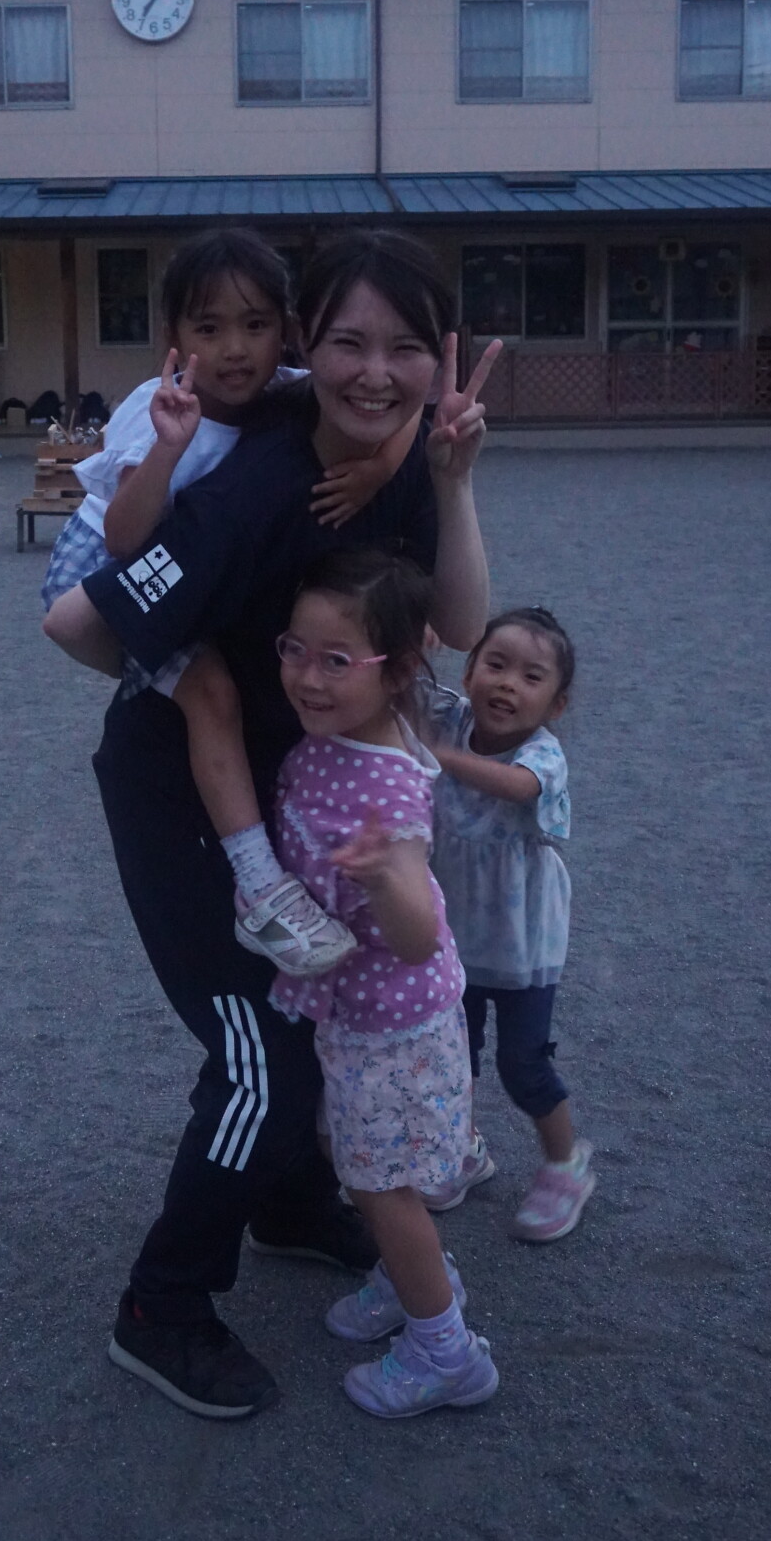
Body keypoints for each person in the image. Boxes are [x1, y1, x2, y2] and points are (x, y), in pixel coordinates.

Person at [43, 229, 499, 1419]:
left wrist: (444, 474)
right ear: (310, 343)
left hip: (292, 788)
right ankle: (163, 1306)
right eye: (348, 342)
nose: (375, 372)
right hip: (181, 793)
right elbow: (82, 622)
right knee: (263, 1051)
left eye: (405, 347)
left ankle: (289, 1200)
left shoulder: (408, 447)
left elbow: (457, 624)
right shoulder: (248, 487)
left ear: (439, 353)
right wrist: (189, 680)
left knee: (315, 1010)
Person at [43, 228, 413, 971]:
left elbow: (400, 412)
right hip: (101, 572)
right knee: (210, 693)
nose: (236, 349)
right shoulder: (158, 408)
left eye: (255, 325)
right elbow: (122, 539)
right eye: (208, 329)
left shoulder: (289, 391)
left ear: (288, 329)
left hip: (180, 578)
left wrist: (377, 470)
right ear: (175, 336)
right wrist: (169, 448)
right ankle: (261, 887)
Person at [269, 548, 500, 1418]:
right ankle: (413, 1278)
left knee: (380, 1183)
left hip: (393, 1023)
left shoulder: (387, 794)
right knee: (356, 1159)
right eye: (295, 650)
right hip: (356, 1014)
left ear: (395, 671)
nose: (308, 677)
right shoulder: (355, 729)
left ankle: (446, 1351)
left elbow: (416, 937)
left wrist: (381, 879)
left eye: (337, 660)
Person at [417, 607, 596, 1241]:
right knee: (451, 1059)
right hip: (452, 936)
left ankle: (566, 1164)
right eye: (495, 664)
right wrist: (415, 637)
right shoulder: (449, 717)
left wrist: (438, 757)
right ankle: (461, 1150)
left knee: (524, 1064)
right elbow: (400, 688)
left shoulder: (542, 755)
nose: (507, 684)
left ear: (556, 703)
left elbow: (517, 788)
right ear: (468, 672)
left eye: (531, 676)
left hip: (523, 943)